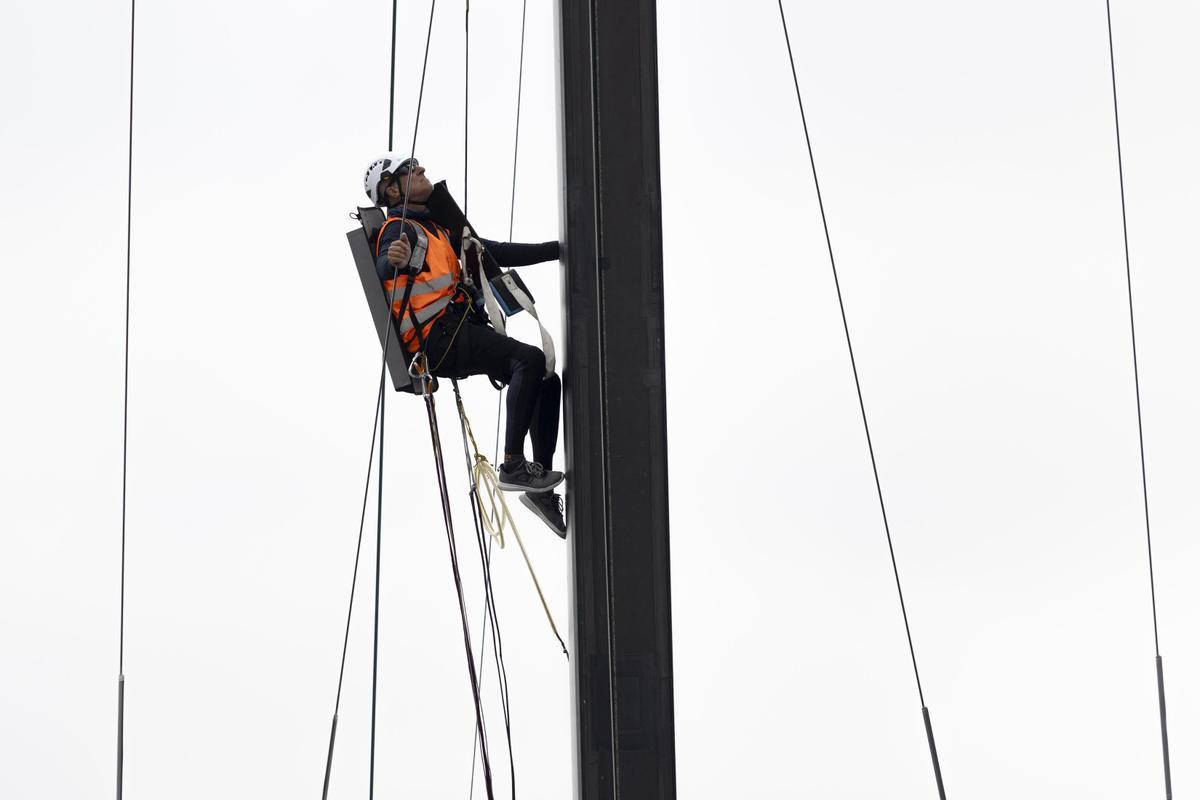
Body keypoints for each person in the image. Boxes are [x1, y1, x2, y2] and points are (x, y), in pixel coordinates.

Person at [363, 154, 567, 537]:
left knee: (546, 377)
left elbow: (496, 252)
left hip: (455, 329)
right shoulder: (399, 228)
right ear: (392, 189)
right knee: (529, 359)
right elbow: (385, 265)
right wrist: (393, 262)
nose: (422, 171)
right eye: (412, 170)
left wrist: (561, 248)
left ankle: (539, 483)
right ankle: (512, 464)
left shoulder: (440, 230)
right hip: (437, 339)